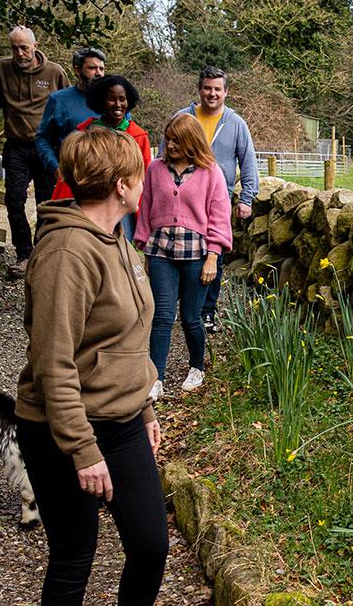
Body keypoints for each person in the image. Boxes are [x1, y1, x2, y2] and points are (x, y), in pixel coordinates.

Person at [17, 128, 177, 606]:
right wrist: (82, 450)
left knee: (150, 543)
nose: (148, 179)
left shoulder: (117, 239)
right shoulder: (66, 254)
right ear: (121, 185)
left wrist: (145, 411)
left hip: (123, 422)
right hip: (61, 431)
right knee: (74, 557)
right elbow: (54, 364)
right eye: (142, 172)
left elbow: (130, 339)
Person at [134, 113, 231, 399]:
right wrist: (142, 248)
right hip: (161, 250)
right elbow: (146, 205)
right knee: (162, 315)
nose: (170, 144)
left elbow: (220, 216)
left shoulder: (210, 171)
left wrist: (213, 256)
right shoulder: (155, 168)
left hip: (197, 254)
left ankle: (196, 367)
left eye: (177, 140)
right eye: (168, 139)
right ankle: (157, 377)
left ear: (191, 142)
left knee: (191, 317)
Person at [0, 26, 68, 270]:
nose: (19, 53)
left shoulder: (54, 73)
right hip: (17, 146)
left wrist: (70, 146)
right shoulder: (2, 69)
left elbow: (67, 107)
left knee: (46, 202)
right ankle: (24, 254)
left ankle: (41, 253)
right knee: (13, 200)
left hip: (47, 148)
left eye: (24, 48)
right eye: (14, 48)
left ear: (35, 46)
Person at [178, 67, 259, 331]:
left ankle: (207, 312)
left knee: (215, 256)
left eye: (217, 89)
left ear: (226, 92)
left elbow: (248, 163)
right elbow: (164, 156)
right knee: (183, 253)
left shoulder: (236, 123)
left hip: (219, 201)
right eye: (207, 88)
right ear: (199, 89)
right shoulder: (183, 118)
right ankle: (185, 306)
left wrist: (246, 198)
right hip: (185, 199)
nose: (212, 94)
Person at [50, 75, 150, 203]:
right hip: (89, 202)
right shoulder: (84, 133)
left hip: (124, 204)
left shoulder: (138, 136)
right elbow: (72, 174)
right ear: (101, 101)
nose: (118, 105)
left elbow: (143, 178)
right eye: (111, 99)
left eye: (122, 99)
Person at [34, 47, 108, 201]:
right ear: (77, 70)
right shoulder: (58, 100)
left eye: (101, 68)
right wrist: (55, 167)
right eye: (92, 68)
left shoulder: (115, 101)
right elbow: (43, 138)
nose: (99, 73)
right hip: (69, 181)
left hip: (106, 182)